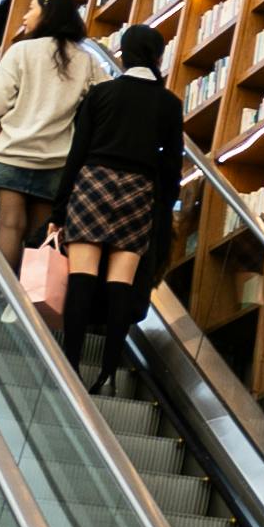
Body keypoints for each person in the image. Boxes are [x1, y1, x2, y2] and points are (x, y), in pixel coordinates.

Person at [54, 26, 185, 390]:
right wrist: (162, 209)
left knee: (82, 278)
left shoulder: (100, 94)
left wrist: (58, 211)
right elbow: (173, 166)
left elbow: (75, 154)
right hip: (138, 191)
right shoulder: (169, 104)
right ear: (158, 58)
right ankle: (109, 370)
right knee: (120, 284)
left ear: (124, 55)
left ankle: (71, 363)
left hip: (92, 183)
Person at [0, 0, 105, 284]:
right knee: (40, 235)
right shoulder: (87, 62)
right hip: (56, 161)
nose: (24, 16)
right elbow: (106, 103)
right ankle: (30, 301)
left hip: (11, 154)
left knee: (9, 226)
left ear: (48, 14)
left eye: (30, 9)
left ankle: (3, 294)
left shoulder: (21, 52)